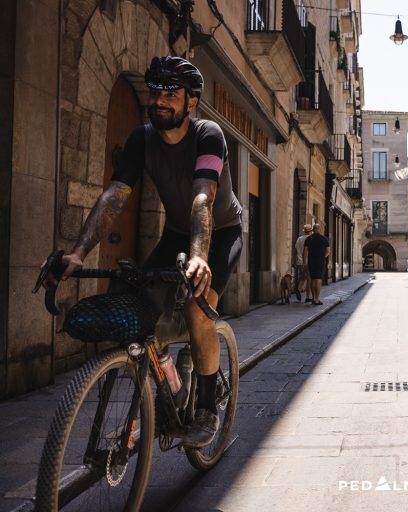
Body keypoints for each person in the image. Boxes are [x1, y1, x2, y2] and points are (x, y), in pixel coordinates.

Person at [45, 56, 243, 447]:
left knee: (197, 307)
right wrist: (79, 253)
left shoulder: (209, 135)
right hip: (176, 233)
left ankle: (207, 407)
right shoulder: (142, 138)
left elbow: (202, 198)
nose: (160, 101)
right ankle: (170, 384)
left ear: (191, 102)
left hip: (220, 233)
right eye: (155, 93)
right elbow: (114, 197)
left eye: (171, 94)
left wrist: (199, 255)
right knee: (139, 301)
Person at [303, 223, 330, 305]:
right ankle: (317, 299)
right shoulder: (324, 239)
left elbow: (305, 252)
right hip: (320, 262)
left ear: (313, 230)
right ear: (320, 229)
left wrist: (304, 263)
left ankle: (313, 298)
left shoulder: (308, 239)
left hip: (311, 261)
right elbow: (328, 251)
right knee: (318, 279)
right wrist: (322, 257)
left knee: (312, 279)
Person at [294, 224, 313, 303]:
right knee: (309, 279)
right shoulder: (311, 239)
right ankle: (308, 297)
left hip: (299, 261)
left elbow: (296, 250)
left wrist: (294, 261)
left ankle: (298, 289)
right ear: (311, 231)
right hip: (307, 261)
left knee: (303, 277)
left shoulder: (299, 238)